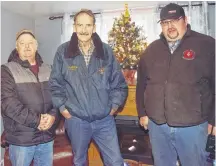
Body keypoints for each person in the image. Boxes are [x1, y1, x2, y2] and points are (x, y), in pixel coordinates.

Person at [136, 3, 215, 166]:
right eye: (165, 22)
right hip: (158, 126)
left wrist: (215, 121)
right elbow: (141, 84)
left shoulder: (207, 45)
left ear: (185, 20)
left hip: (192, 126)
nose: (169, 26)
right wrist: (142, 113)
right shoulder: (151, 50)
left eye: (175, 20)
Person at [49, 9, 128, 166]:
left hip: (104, 120)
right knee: (79, 161)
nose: (84, 30)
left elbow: (119, 83)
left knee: (115, 161)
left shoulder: (106, 51)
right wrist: (63, 108)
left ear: (94, 28)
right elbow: (55, 83)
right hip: (76, 120)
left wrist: (113, 106)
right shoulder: (62, 52)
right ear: (74, 27)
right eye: (80, 25)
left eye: (88, 25)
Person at [1, 29, 59, 166]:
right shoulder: (6, 70)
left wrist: (53, 115)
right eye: (22, 43)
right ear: (17, 47)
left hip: (46, 137)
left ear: (36, 45)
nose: (27, 47)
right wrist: (38, 120)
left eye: (30, 43)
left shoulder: (49, 69)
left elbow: (58, 96)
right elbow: (8, 104)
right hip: (22, 140)